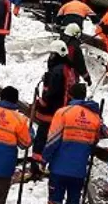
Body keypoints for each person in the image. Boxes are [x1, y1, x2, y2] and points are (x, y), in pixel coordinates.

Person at [43, 83, 104, 204]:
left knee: (55, 200)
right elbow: (96, 138)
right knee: (74, 201)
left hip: (59, 166)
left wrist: (44, 159)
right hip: (79, 169)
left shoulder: (63, 112)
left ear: (69, 95)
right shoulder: (95, 117)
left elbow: (53, 140)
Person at [30, 41, 77, 173]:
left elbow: (51, 93)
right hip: (63, 111)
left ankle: (37, 166)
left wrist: (41, 102)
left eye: (52, 54)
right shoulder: (69, 69)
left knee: (42, 139)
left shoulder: (56, 71)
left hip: (50, 113)